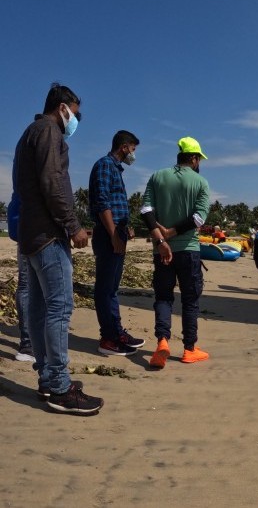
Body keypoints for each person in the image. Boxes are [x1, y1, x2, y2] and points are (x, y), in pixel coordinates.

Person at [14, 83, 103, 414]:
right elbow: (53, 184)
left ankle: (48, 379)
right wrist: (73, 226)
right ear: (62, 107)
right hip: (49, 235)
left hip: (31, 235)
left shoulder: (30, 133)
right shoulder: (49, 132)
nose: (76, 120)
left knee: (40, 309)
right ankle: (61, 388)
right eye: (76, 113)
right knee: (60, 308)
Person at [140, 136, 211, 368]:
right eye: (199, 159)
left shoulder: (157, 176)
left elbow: (146, 210)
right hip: (189, 250)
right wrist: (172, 232)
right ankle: (189, 349)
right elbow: (198, 218)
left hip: (162, 251)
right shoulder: (201, 183)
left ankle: (162, 342)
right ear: (194, 158)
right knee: (190, 300)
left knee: (163, 297)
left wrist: (161, 239)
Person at [89, 130, 145, 357]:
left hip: (116, 232)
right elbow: (102, 203)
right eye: (133, 149)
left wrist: (124, 229)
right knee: (105, 288)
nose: (133, 154)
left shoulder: (115, 169)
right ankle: (109, 338)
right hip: (107, 234)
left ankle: (116, 333)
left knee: (111, 287)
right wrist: (113, 234)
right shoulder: (105, 165)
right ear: (124, 147)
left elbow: (114, 204)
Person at [7, 191, 35, 363]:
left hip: (25, 229)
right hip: (36, 230)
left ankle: (28, 343)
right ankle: (28, 343)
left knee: (26, 285)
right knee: (29, 286)